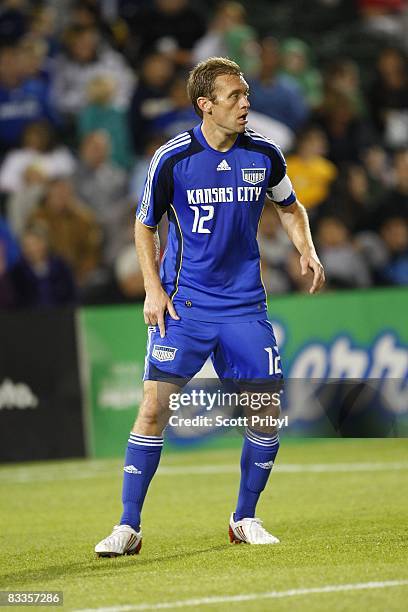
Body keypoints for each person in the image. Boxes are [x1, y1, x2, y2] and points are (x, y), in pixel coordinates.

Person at [94, 57, 324, 556]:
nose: (246, 103)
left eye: (247, 95)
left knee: (265, 412)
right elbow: (144, 224)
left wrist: (305, 246)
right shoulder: (173, 159)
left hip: (244, 306)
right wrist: (153, 289)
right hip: (186, 305)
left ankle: (244, 517)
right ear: (205, 105)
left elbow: (290, 206)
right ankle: (128, 526)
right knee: (153, 408)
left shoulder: (264, 153)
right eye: (235, 97)